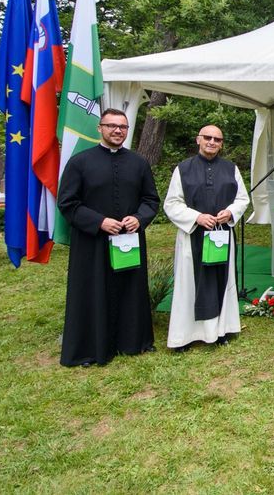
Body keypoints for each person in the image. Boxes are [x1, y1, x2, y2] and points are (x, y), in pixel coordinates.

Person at [57, 108, 160, 367]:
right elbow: (67, 202)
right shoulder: (79, 162)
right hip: (92, 243)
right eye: (112, 126)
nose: (117, 131)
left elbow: (151, 200)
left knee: (130, 290)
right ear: (100, 128)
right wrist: (99, 222)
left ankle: (133, 342)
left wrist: (139, 218)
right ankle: (91, 348)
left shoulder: (139, 163)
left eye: (122, 127)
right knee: (93, 291)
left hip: (129, 240)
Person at [163, 124, 250, 351]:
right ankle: (185, 336)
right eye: (208, 137)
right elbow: (172, 203)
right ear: (198, 140)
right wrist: (197, 217)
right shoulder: (183, 169)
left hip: (221, 236)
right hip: (193, 235)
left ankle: (220, 331)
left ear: (221, 144)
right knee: (190, 285)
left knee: (221, 280)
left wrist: (230, 212)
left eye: (217, 139)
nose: (212, 142)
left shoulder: (231, 169)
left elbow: (242, 199)